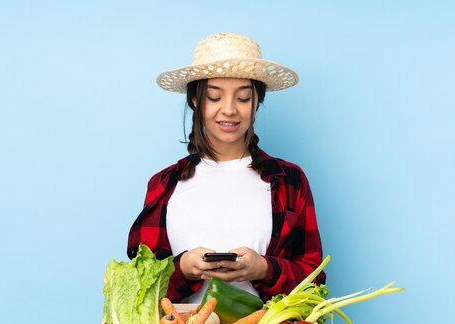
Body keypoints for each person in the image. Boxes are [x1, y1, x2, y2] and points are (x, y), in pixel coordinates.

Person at [127, 32, 326, 303]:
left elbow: (314, 281)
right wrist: (183, 269)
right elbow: (139, 288)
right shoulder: (164, 184)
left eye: (243, 98)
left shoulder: (289, 180)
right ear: (196, 101)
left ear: (257, 103)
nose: (229, 109)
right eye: (214, 97)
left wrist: (264, 269)